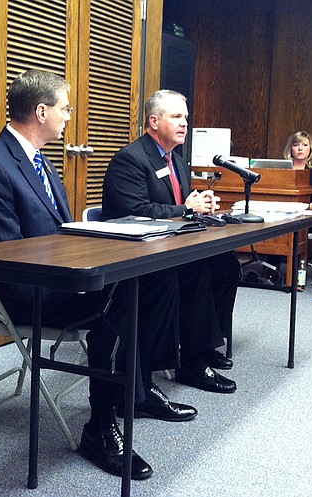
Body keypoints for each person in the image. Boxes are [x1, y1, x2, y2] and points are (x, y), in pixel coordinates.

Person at [0, 70, 195, 481]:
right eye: (65, 109)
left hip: (62, 277)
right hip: (30, 291)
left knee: (150, 281)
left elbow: (63, 232)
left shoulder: (40, 162)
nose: (69, 117)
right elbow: (8, 259)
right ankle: (101, 426)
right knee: (122, 299)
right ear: (40, 112)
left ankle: (132, 394)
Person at [102, 89, 240, 395]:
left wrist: (196, 203)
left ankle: (203, 345)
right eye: (176, 117)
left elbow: (178, 205)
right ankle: (190, 360)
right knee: (193, 273)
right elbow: (136, 212)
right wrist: (187, 209)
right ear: (154, 121)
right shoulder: (131, 160)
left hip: (170, 245)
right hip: (136, 255)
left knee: (226, 265)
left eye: (186, 118)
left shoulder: (176, 161)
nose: (184, 124)